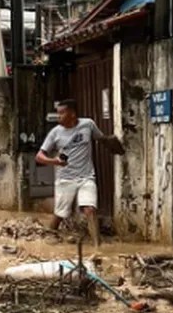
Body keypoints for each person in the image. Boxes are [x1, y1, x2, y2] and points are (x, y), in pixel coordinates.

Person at [35, 99, 122, 247]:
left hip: (86, 177)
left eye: (62, 113)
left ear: (72, 114)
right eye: (58, 113)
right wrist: (55, 161)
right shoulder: (55, 133)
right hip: (65, 179)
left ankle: (97, 246)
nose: (59, 116)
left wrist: (114, 145)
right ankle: (49, 236)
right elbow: (39, 156)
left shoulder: (88, 125)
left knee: (90, 209)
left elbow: (100, 138)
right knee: (60, 214)